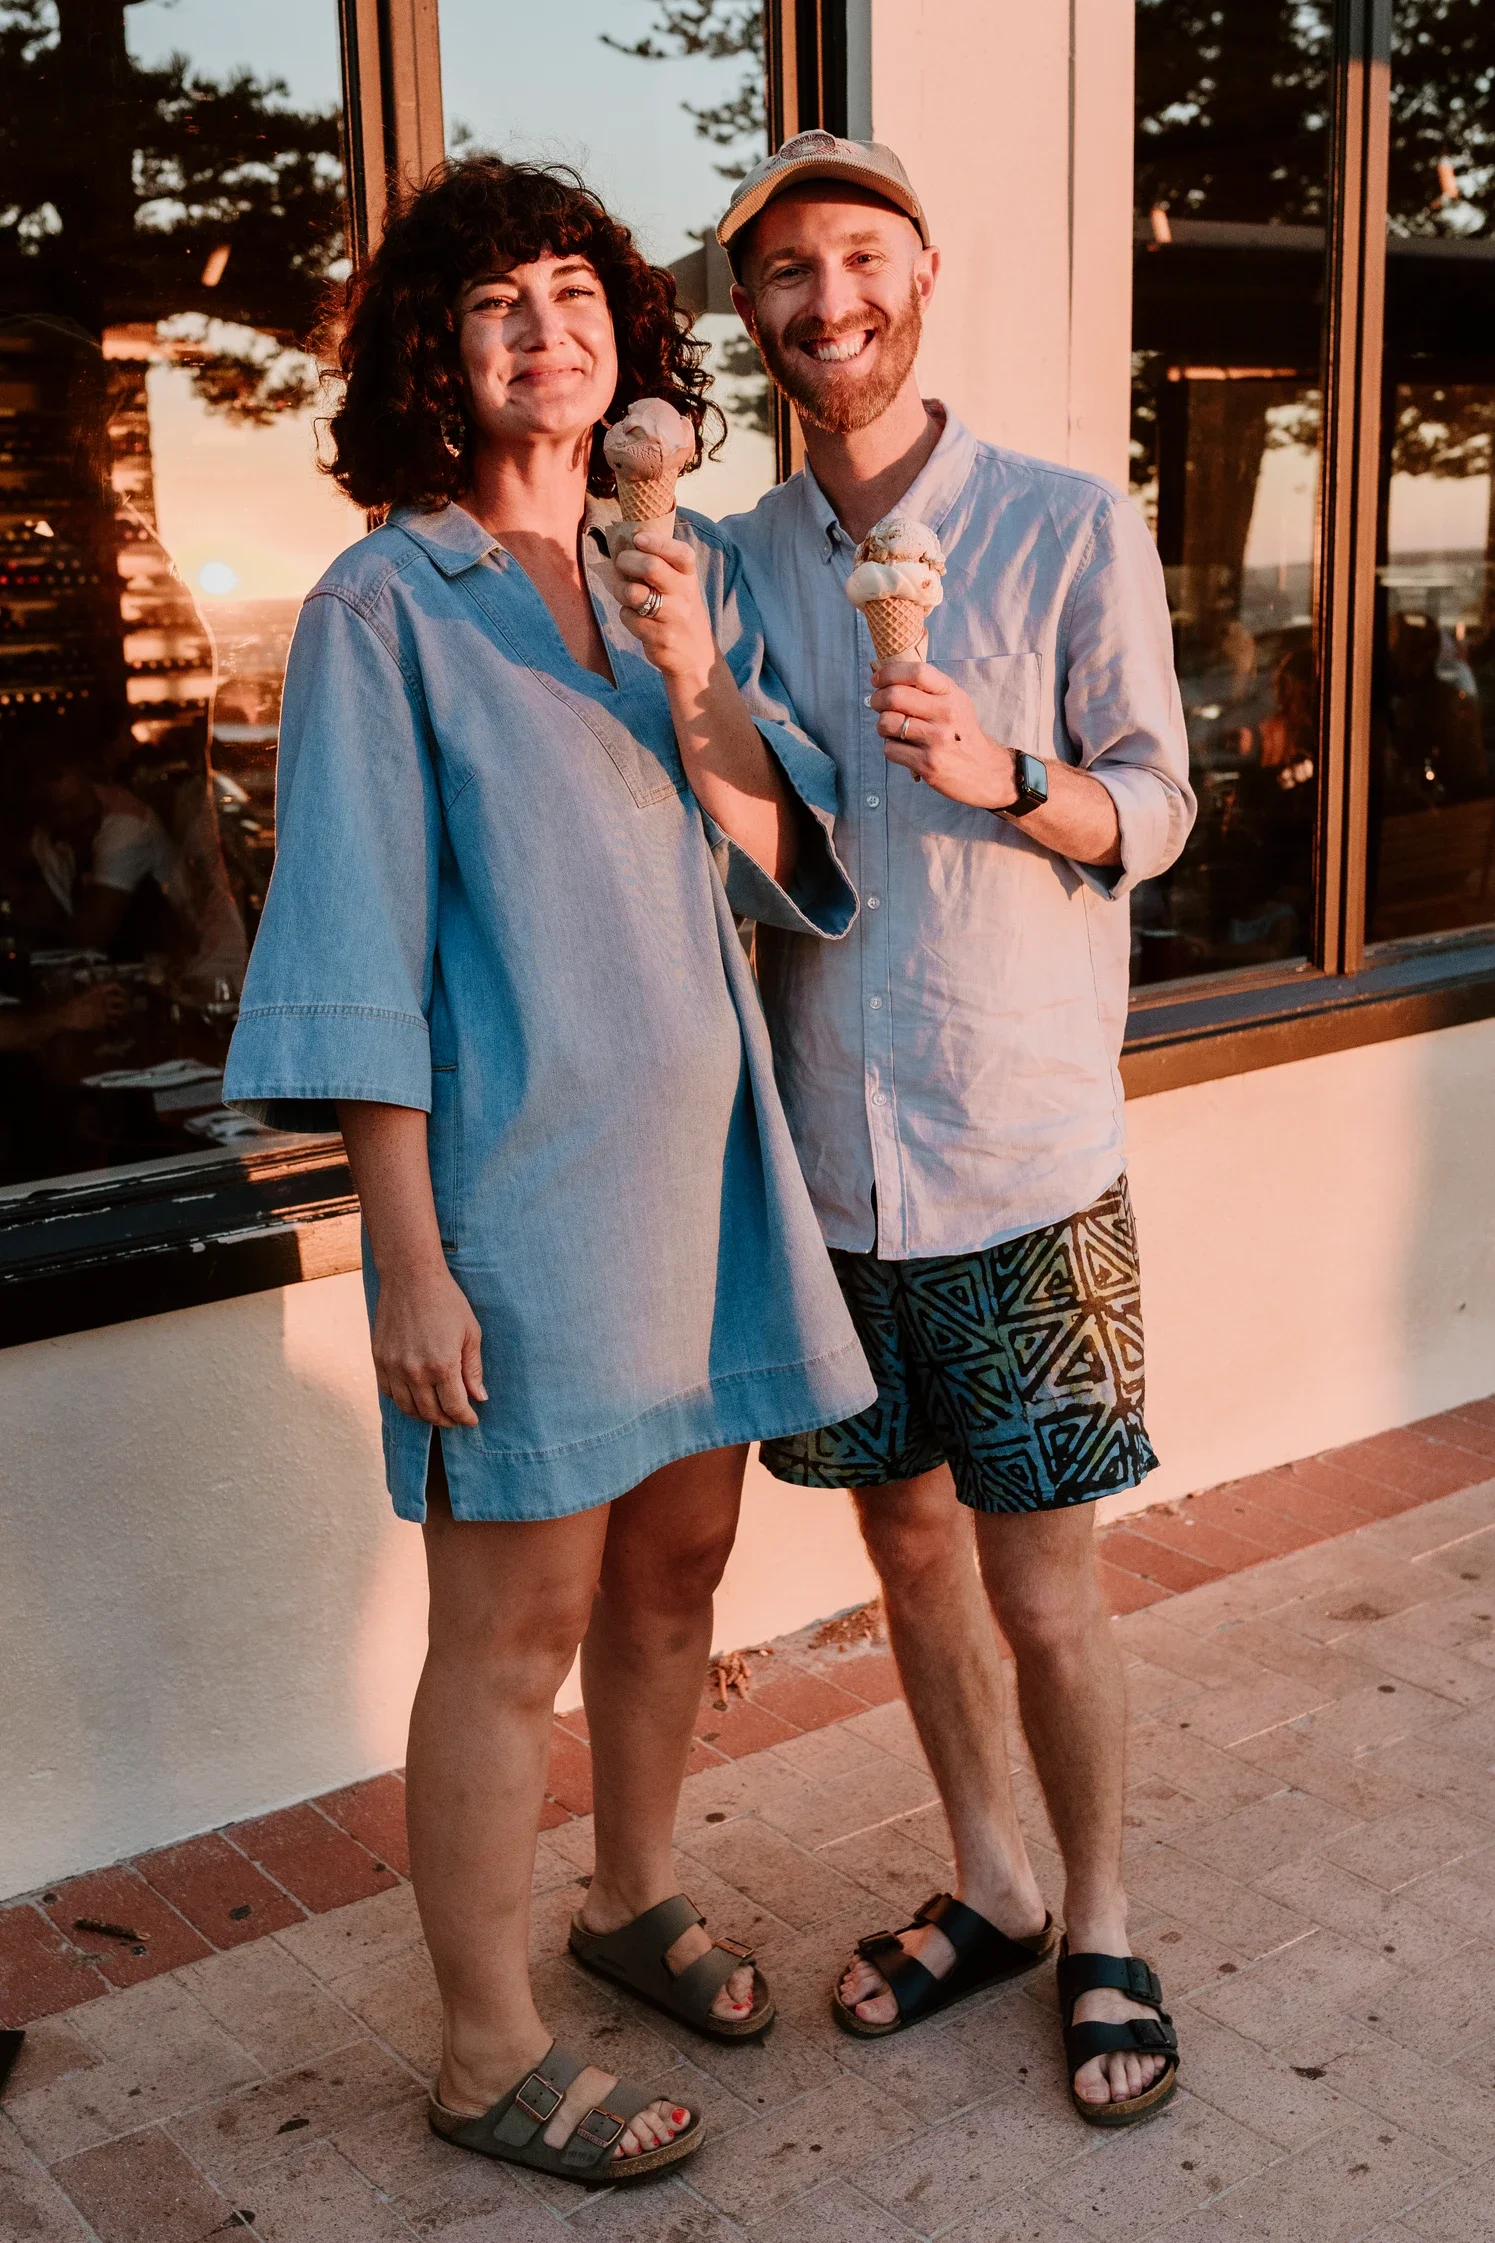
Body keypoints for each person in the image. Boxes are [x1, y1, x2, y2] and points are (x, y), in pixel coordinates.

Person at [224, 157, 875, 2190]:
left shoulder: (675, 568)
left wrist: (697, 680)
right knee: (511, 1632)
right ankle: (482, 2046)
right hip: (519, 1195)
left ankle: (630, 1892)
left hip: (710, 1171)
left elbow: (787, 856)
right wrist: (407, 1259)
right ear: (437, 350)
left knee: (678, 1569)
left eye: (577, 292)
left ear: (630, 339)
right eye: (499, 298)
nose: (547, 327)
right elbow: (353, 945)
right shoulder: (383, 603)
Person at [715, 133, 1196, 2126]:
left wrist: (1010, 774)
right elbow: (745, 845)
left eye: (858, 257)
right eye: (784, 272)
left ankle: (1101, 1918)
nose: (826, 300)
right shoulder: (733, 562)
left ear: (920, 272)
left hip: (1021, 1153)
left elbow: (1155, 807)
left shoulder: (1068, 523)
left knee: (1044, 1584)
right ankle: (993, 1879)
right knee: (908, 1549)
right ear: (752, 313)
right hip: (835, 1167)